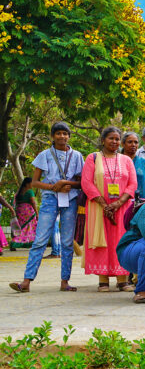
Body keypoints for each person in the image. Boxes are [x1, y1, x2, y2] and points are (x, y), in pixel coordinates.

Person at [10, 122, 84, 293]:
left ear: (69, 136)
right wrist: (53, 187)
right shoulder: (45, 155)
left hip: (70, 199)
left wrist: (66, 183)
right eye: (58, 133)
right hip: (50, 199)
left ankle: (65, 281)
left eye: (65, 133)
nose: (62, 137)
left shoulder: (77, 156)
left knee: (66, 242)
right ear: (52, 136)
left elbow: (81, 182)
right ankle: (26, 281)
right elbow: (35, 182)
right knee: (40, 240)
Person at [81, 126, 137, 291]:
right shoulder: (93, 158)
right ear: (103, 140)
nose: (114, 141)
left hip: (122, 208)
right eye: (111, 138)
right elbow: (86, 182)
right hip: (98, 208)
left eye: (117, 139)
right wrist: (104, 205)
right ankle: (103, 281)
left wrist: (117, 203)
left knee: (122, 241)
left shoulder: (126, 160)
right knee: (102, 242)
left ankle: (123, 280)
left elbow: (133, 184)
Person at [10, 178, 38, 249]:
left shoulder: (19, 192)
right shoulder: (30, 191)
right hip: (28, 211)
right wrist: (37, 213)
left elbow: (14, 201)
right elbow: (33, 202)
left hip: (19, 211)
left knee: (20, 227)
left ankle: (14, 242)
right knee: (29, 227)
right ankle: (19, 242)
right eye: (31, 183)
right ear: (27, 184)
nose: (32, 185)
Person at [122, 132, 145, 199]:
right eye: (130, 142)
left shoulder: (144, 163)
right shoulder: (117, 161)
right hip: (120, 201)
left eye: (136, 142)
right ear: (123, 144)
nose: (133, 145)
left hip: (141, 201)